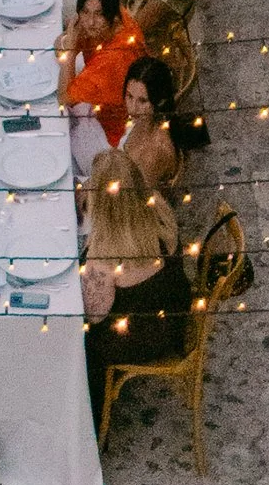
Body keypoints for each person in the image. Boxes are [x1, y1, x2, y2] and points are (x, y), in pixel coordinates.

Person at [80, 150, 189, 406]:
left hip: (141, 339)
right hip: (172, 314)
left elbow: (92, 316)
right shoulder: (159, 210)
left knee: (76, 339)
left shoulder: (106, 259)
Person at [59, 0, 142, 155]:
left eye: (98, 14)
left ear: (111, 15)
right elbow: (59, 45)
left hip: (111, 140)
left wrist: (71, 49)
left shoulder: (115, 57)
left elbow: (64, 99)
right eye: (85, 12)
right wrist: (69, 43)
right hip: (101, 104)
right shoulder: (114, 19)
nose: (90, 22)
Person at [116, 54, 182, 205]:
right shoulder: (144, 120)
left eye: (142, 101)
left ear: (160, 101)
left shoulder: (154, 152)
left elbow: (134, 205)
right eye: (129, 96)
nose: (132, 108)